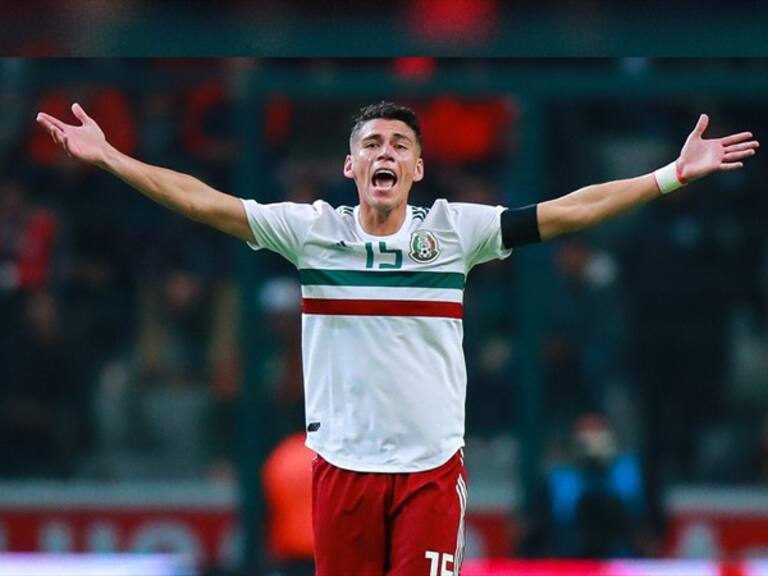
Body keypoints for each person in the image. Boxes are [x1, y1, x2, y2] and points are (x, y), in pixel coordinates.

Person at [37, 100, 758, 575]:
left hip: (430, 469)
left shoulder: (453, 232)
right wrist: (112, 159)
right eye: (372, 143)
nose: (385, 152)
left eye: (399, 145)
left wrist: (668, 175)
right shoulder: (312, 233)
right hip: (341, 465)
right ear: (351, 167)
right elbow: (204, 202)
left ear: (414, 168)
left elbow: (568, 212)